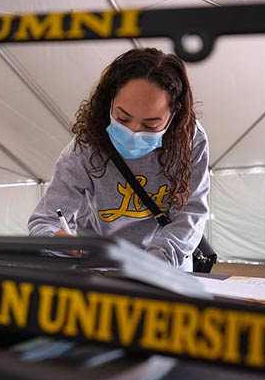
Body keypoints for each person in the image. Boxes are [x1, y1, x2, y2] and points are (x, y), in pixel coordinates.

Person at [28, 48, 209, 271]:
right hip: (101, 268)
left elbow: (191, 212)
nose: (133, 131)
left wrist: (156, 263)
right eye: (122, 118)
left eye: (150, 125)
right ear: (109, 102)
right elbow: (43, 221)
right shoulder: (86, 147)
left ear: (174, 115)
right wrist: (58, 241)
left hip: (166, 267)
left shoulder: (190, 140)